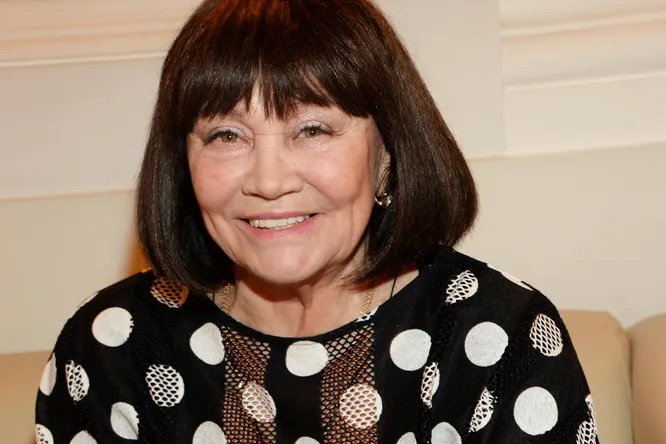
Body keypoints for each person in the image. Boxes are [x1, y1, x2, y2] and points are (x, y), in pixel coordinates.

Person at [35, 0, 599, 443]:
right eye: (226, 135)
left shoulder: (497, 339)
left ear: (387, 155)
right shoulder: (114, 349)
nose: (269, 180)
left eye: (313, 129)